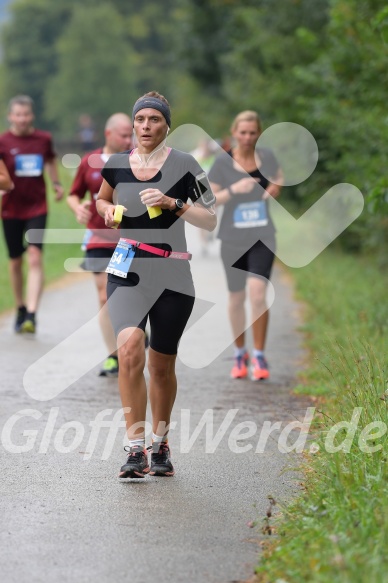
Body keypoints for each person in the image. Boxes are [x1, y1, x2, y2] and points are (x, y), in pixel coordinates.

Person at [96, 91, 216, 479]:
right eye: (141, 120)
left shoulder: (186, 164)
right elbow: (100, 201)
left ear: (167, 125)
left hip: (172, 273)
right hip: (127, 268)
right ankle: (134, 449)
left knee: (161, 366)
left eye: (154, 120)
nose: (146, 127)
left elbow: (210, 219)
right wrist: (108, 212)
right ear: (132, 124)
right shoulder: (115, 164)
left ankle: (160, 443)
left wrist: (172, 203)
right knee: (129, 349)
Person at [208, 111, 283, 381]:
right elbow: (210, 200)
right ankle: (241, 353)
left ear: (258, 133)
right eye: (243, 132)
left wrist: (275, 187)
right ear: (234, 133)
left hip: (263, 235)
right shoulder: (221, 163)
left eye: (253, 132)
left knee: (258, 293)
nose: (248, 137)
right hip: (232, 237)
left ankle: (260, 355)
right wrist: (233, 191)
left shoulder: (268, 157)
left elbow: (278, 176)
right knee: (237, 297)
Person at [67, 113, 133, 377]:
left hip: (127, 240)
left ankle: (136, 330)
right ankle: (113, 355)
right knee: (104, 295)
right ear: (108, 134)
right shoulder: (90, 162)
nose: (129, 140)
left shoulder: (136, 162)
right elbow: (74, 195)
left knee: (123, 294)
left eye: (131, 135)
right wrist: (77, 209)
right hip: (96, 236)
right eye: (124, 135)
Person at [0, 95, 64, 334]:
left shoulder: (43, 139)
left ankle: (32, 313)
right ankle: (19, 306)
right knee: (16, 261)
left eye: (26, 114)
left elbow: (50, 161)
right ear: (10, 117)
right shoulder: (3, 141)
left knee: (35, 256)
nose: (22, 119)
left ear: (32, 116)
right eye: (18, 114)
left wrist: (56, 183)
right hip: (10, 208)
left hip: (37, 206)